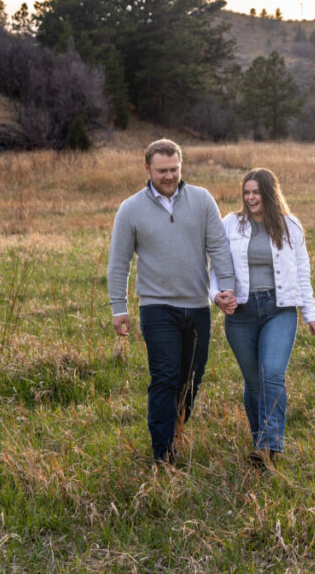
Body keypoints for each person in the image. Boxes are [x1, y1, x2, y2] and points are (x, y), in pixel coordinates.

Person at [107, 139, 236, 464]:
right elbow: (119, 261)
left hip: (197, 307)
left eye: (174, 169)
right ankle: (162, 453)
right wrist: (118, 307)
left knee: (191, 378)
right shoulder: (130, 208)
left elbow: (218, 246)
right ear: (147, 168)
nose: (169, 176)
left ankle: (176, 431)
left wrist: (227, 288)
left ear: (181, 166)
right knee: (164, 377)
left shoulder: (202, 199)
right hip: (156, 307)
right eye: (162, 170)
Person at [210, 168, 315, 466]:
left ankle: (269, 445)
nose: (250, 197)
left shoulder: (289, 226)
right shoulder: (230, 224)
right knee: (254, 382)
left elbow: (302, 271)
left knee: (271, 373)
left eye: (256, 192)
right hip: (241, 313)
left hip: (279, 309)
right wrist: (216, 295)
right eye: (246, 192)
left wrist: (310, 313)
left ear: (269, 194)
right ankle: (261, 444)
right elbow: (215, 266)